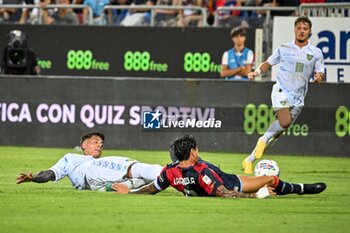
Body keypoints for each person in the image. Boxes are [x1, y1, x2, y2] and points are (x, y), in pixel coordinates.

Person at [112, 135, 326, 198]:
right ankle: (302, 189)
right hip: (233, 183)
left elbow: (152, 188)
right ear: (192, 152)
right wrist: (258, 195)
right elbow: (225, 193)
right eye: (196, 149)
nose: (198, 151)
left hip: (222, 177)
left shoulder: (169, 171)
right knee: (270, 180)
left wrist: (129, 192)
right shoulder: (202, 172)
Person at [242, 16, 325, 174]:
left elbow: (320, 72)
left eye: (305, 28)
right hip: (281, 91)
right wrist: (257, 71)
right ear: (294, 29)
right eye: (299, 27)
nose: (302, 31)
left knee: (276, 135)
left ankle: (249, 160)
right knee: (284, 122)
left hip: (299, 97)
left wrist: (318, 78)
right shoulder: (284, 48)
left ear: (310, 31)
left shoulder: (316, 53)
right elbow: (268, 62)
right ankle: (262, 139)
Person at [16, 132, 163, 191]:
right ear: (84, 145)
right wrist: (35, 178)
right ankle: (174, 174)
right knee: (135, 167)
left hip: (96, 187)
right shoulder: (71, 158)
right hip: (91, 172)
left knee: (141, 180)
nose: (99, 145)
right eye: (95, 141)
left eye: (101, 144)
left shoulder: (102, 162)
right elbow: (51, 173)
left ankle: (174, 177)